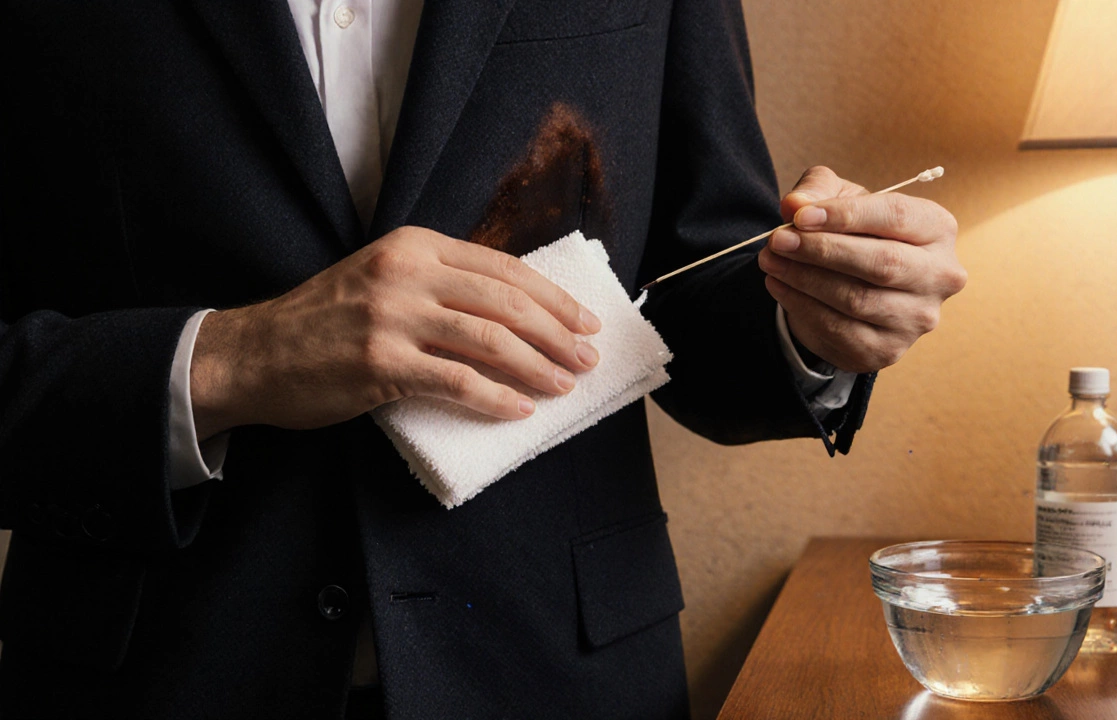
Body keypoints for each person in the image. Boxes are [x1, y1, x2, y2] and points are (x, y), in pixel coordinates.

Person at [0, 0, 964, 718]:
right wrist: (235, 358)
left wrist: (814, 327)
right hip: (153, 681)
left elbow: (690, 281)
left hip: (563, 679)